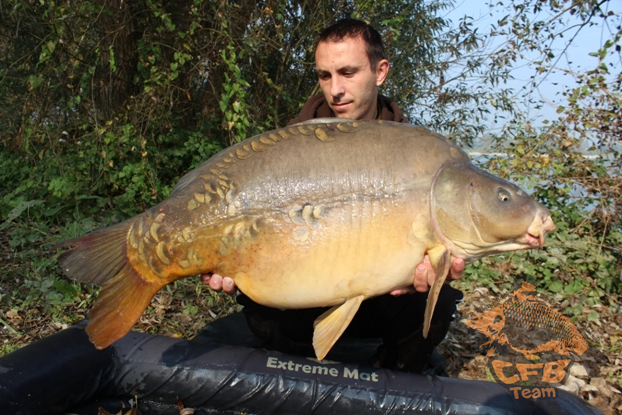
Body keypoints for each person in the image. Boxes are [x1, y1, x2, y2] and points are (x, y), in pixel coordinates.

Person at [203, 18, 464, 374]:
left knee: (440, 293)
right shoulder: (290, 146)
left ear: (380, 71)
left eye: (347, 72)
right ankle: (289, 369)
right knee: (256, 294)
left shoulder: (415, 154)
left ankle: (394, 373)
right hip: (303, 299)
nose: (335, 90)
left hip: (380, 304)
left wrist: (425, 271)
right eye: (325, 76)